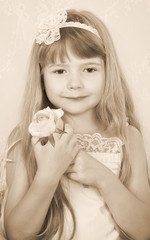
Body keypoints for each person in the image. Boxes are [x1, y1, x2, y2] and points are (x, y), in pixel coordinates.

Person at [2, 8, 150, 240]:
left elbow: (144, 230)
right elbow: (16, 234)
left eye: (89, 69)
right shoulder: (26, 138)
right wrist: (50, 172)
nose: (75, 83)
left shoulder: (128, 137)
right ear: (42, 76)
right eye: (60, 71)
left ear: (107, 71)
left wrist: (101, 176)